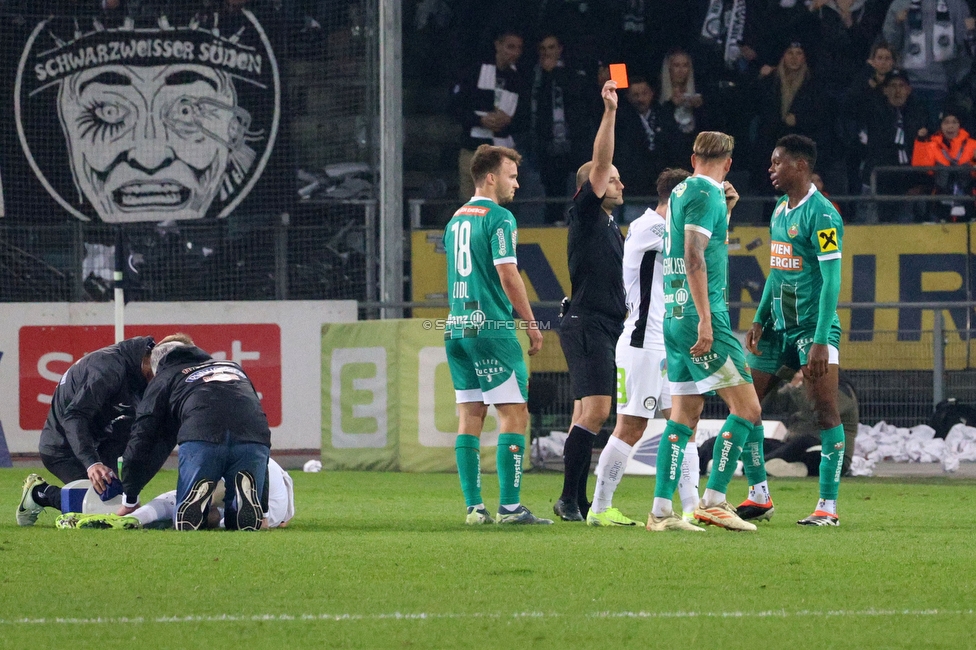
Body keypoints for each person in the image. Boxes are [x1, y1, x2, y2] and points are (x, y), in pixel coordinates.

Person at [652, 131, 766, 533]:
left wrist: (729, 211)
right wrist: (705, 318)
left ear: (694, 156)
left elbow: (705, 244)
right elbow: (694, 255)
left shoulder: (682, 191)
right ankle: (715, 500)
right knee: (748, 409)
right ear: (729, 163)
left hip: (673, 315)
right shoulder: (706, 193)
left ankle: (661, 512)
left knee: (685, 414)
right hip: (703, 317)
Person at [587, 167, 703, 530]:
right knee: (631, 427)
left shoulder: (659, 228)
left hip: (666, 344)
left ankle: (693, 508)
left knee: (685, 424)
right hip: (642, 343)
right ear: (678, 198)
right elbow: (693, 248)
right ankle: (600, 507)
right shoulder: (651, 228)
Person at [443, 143, 549, 526]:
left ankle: (474, 508)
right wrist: (531, 325)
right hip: (491, 327)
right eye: (511, 175)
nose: (516, 184)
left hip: (457, 327)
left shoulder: (456, 219)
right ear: (491, 178)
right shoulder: (500, 217)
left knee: (470, 415)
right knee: (514, 412)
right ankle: (509, 507)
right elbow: (507, 273)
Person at [745, 134, 846, 526]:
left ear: (800, 166)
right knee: (746, 406)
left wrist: (821, 339)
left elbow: (832, 280)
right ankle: (759, 494)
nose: (771, 169)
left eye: (777, 163)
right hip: (776, 328)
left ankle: (828, 507)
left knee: (825, 413)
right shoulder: (779, 209)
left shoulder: (823, 214)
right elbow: (777, 269)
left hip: (811, 330)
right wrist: (758, 317)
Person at [553, 79, 626, 522]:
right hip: (588, 324)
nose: (618, 183)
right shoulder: (584, 213)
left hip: (599, 324)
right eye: (611, 179)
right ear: (593, 187)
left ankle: (575, 500)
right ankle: (568, 498)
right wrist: (610, 112)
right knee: (597, 410)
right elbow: (600, 161)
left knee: (586, 411)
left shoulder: (610, 226)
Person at [117, 334, 272, 531]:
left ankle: (197, 498)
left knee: (188, 516)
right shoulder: (234, 367)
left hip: (202, 437)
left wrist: (130, 499)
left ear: (157, 365)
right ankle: (239, 510)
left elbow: (141, 436)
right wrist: (264, 512)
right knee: (239, 517)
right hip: (254, 437)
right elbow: (258, 418)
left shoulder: (165, 376)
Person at [15, 336, 158, 526]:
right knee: (99, 509)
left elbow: (125, 429)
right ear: (148, 359)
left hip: (98, 443)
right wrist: (92, 463)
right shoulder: (107, 369)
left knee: (117, 507)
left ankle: (104, 495)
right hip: (61, 448)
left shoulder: (137, 374)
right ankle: (39, 493)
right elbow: (74, 417)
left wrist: (125, 487)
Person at [58, 457, 295, 530]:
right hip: (271, 513)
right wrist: (276, 518)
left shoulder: (226, 447)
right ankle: (166, 522)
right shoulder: (262, 454)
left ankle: (132, 518)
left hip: (253, 500)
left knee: (181, 497)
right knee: (212, 514)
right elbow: (287, 494)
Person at [451, 29, 527, 201]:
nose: (514, 52)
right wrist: (480, 120)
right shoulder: (475, 71)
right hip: (474, 148)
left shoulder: (518, 79)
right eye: (510, 47)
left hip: (503, 152)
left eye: (518, 48)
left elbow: (524, 118)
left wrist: (509, 120)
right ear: (497, 45)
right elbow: (455, 108)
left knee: (499, 205)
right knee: (472, 204)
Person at [524, 32, 590, 224]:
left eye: (551, 47)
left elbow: (577, 95)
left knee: (582, 187)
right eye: (543, 49)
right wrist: (546, 75)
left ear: (560, 49)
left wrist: (555, 73)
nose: (547, 53)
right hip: (548, 142)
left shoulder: (572, 71)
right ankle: (554, 224)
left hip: (574, 140)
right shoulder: (535, 74)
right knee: (553, 190)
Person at [883, 0, 974, 128]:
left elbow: (965, 46)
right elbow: (889, 46)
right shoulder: (901, 3)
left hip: (943, 88)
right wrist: (896, 24)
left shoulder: (956, 4)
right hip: (908, 88)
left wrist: (956, 79)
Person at [760, 371, 859, 478]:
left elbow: (817, 413)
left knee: (806, 442)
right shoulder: (802, 387)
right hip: (795, 447)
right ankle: (784, 467)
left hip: (831, 453)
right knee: (762, 443)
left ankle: (761, 465)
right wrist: (774, 382)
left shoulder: (842, 391)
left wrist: (797, 387)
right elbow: (770, 406)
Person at [862, 69, 930, 223]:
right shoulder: (875, 111)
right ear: (885, 90)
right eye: (892, 86)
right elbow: (854, 104)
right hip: (881, 181)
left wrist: (920, 182)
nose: (897, 91)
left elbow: (926, 152)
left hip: (909, 183)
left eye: (901, 85)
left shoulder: (919, 112)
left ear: (909, 89)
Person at [614, 76, 666, 220]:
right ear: (628, 97)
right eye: (635, 95)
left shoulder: (663, 117)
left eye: (644, 94)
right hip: (633, 193)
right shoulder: (621, 120)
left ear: (652, 93)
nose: (640, 99)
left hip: (659, 192)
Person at [911, 106, 976, 219]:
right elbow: (922, 168)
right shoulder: (932, 143)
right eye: (946, 122)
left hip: (968, 199)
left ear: (960, 125)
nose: (950, 126)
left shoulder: (972, 144)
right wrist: (921, 142)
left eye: (954, 122)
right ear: (940, 126)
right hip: (940, 199)